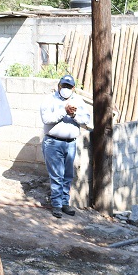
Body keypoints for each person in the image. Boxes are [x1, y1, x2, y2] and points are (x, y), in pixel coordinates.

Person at [40, 74, 92, 219]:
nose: (66, 89)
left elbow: (86, 120)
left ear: (73, 88)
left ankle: (64, 203)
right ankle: (56, 205)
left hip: (70, 143)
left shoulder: (78, 101)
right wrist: (64, 111)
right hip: (53, 142)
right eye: (64, 86)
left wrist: (74, 114)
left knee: (68, 175)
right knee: (56, 175)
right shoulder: (50, 99)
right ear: (59, 86)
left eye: (69, 87)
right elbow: (46, 119)